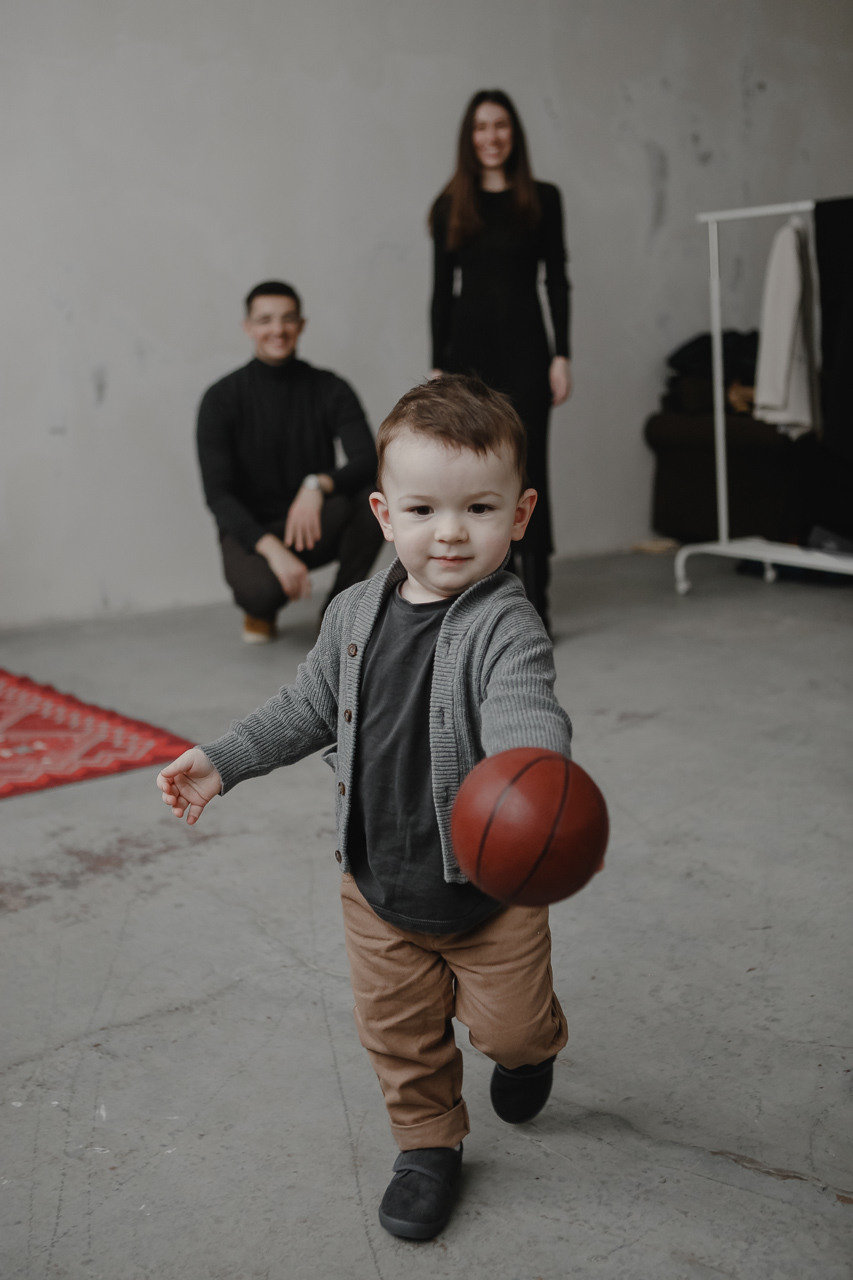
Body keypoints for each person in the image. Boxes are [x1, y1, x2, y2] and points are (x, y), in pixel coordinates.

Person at [158, 375, 572, 1241]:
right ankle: (427, 1145)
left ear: (520, 513)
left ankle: (529, 1053)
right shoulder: (352, 613)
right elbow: (304, 709)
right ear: (383, 514)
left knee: (512, 1027)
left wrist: (529, 773)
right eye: (423, 509)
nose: (450, 532)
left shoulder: (507, 624)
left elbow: (523, 705)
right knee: (398, 1032)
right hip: (377, 883)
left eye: (479, 508)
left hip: (489, 897)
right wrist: (224, 760)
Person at [429, 90, 572, 631]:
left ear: (514, 134)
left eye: (501, 126)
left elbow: (556, 279)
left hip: (528, 352)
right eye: (481, 128)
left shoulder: (542, 198)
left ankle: (537, 601)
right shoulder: (451, 205)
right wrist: (439, 365)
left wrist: (563, 354)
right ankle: (482, 597)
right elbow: (441, 291)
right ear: (470, 138)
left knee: (530, 472)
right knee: (473, 473)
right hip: (468, 358)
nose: (492, 137)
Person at [196, 281, 383, 643]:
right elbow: (218, 495)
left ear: (302, 324)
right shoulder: (221, 398)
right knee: (259, 591)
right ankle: (259, 612)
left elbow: (367, 459)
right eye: (265, 320)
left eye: (287, 319)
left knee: (376, 497)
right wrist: (273, 550)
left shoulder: (330, 388)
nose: (277, 330)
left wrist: (318, 485)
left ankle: (337, 616)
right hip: (253, 531)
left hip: (313, 522)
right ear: (248, 327)